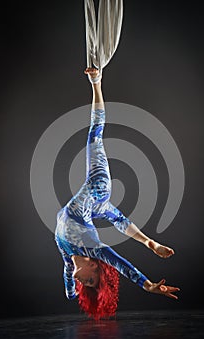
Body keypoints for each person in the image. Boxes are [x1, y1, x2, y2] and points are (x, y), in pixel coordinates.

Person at [54, 67, 180, 320]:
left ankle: (149, 242)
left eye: (85, 286)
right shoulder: (95, 250)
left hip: (95, 207)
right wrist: (148, 285)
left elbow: (68, 282)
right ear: (94, 266)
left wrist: (71, 292)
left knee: (118, 219)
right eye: (91, 282)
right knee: (95, 135)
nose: (84, 283)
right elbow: (123, 266)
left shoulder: (69, 258)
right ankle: (96, 82)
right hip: (97, 189)